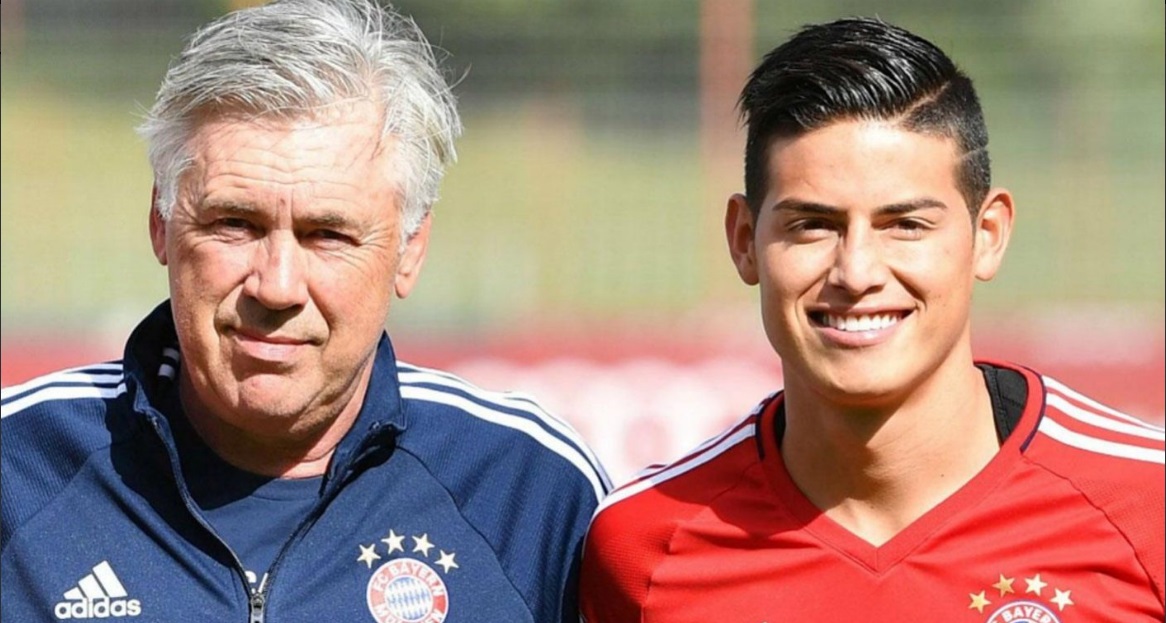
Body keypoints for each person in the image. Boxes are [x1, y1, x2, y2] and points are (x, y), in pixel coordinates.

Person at [0, 1, 609, 621]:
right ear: (162, 223)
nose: (277, 286)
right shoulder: (15, 468)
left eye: (328, 235)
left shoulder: (533, 494)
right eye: (234, 223)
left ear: (409, 249)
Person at [579, 17, 1164, 622]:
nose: (856, 273)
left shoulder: (1148, 511)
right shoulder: (644, 547)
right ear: (745, 240)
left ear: (987, 235)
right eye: (812, 225)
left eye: (905, 225)